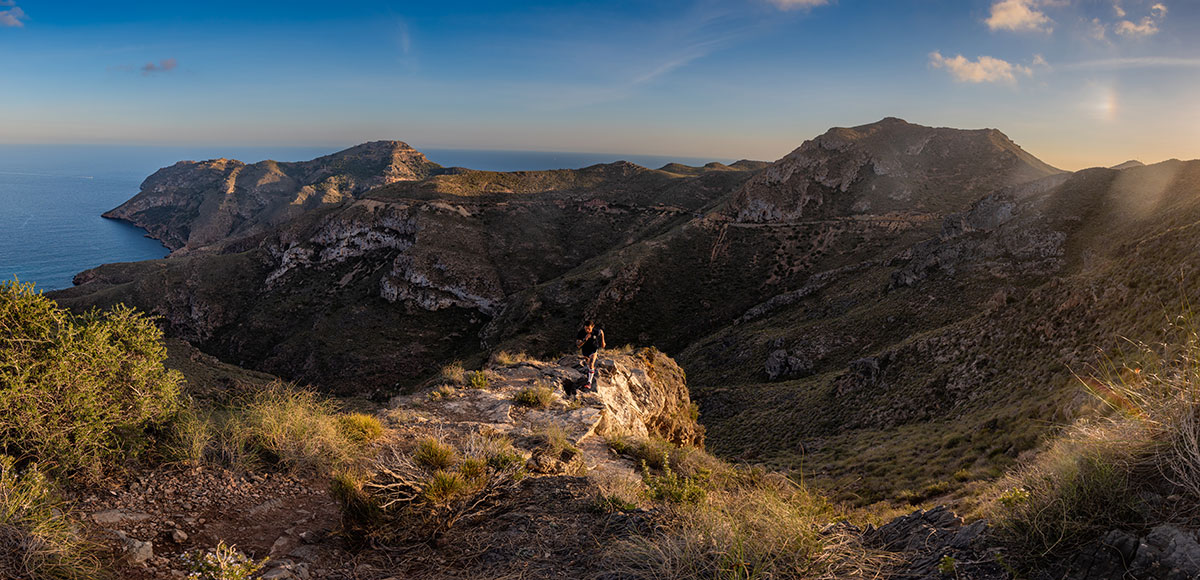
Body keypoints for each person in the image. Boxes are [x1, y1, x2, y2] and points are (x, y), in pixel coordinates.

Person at [575, 320, 605, 389]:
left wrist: (603, 342)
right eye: (586, 329)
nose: (587, 330)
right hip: (585, 351)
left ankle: (589, 383)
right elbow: (578, 345)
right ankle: (591, 371)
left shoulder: (595, 332)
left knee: (591, 364)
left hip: (593, 349)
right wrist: (585, 339)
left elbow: (602, 332)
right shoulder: (581, 333)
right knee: (589, 365)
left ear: (592, 327)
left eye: (589, 329)